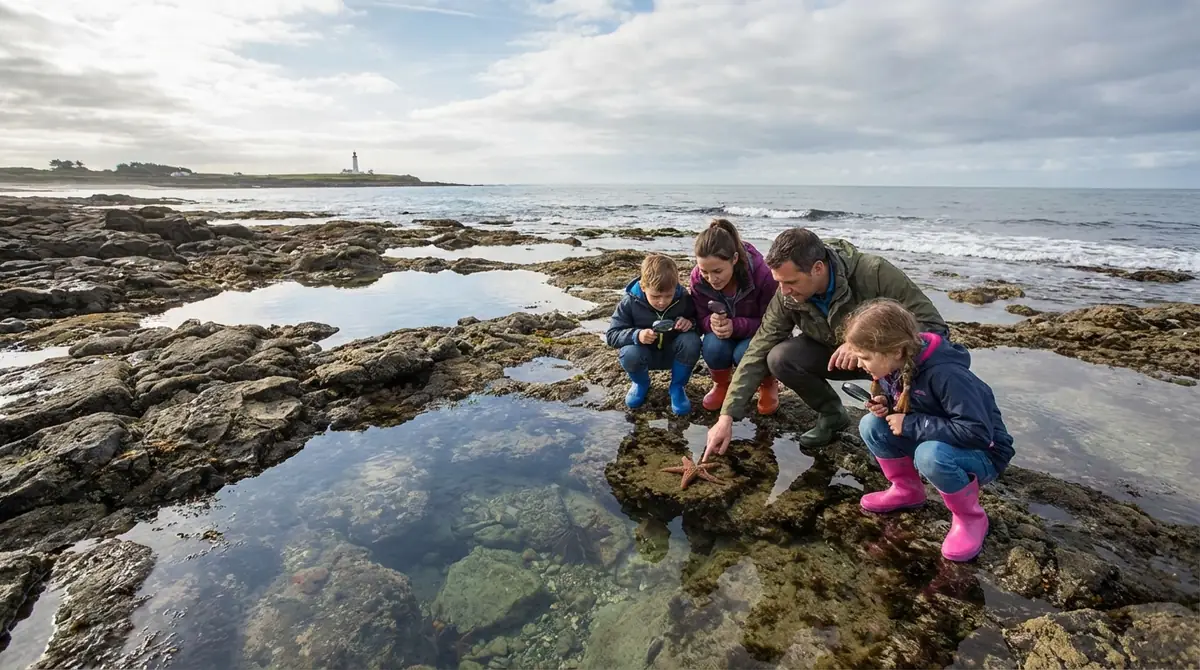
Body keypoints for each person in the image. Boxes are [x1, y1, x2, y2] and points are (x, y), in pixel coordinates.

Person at [704, 227, 947, 459]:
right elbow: (759, 346)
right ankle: (832, 414)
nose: (784, 291)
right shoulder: (786, 294)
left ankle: (919, 427)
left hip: (887, 361)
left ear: (818, 268)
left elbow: (933, 327)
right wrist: (727, 417)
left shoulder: (873, 272)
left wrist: (864, 343)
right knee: (779, 357)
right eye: (779, 282)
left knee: (916, 401)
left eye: (791, 282)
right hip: (836, 357)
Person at [843, 298, 1015, 561]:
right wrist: (887, 404)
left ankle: (970, 517)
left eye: (865, 358)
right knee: (871, 425)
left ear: (897, 350)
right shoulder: (897, 366)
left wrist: (909, 423)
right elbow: (914, 402)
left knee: (929, 455)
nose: (861, 364)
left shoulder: (947, 375)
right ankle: (906, 489)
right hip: (940, 439)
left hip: (984, 453)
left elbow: (977, 433)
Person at [689, 219, 780, 415]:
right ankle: (721, 384)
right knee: (712, 345)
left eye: (718, 271)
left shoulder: (763, 275)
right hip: (724, 335)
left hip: (756, 334)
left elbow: (775, 324)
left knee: (744, 352)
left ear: (734, 258)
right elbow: (698, 317)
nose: (712, 279)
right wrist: (710, 323)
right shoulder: (697, 279)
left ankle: (767, 383)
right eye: (704, 271)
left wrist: (736, 325)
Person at [606, 253, 700, 415]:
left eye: (668, 296)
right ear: (643, 287)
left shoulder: (684, 299)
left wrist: (690, 323)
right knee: (629, 353)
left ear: (676, 286)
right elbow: (612, 335)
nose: (662, 302)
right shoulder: (629, 302)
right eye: (655, 296)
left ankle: (677, 387)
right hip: (644, 355)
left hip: (674, 356)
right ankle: (641, 384)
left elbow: (701, 324)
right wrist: (637, 335)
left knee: (691, 341)